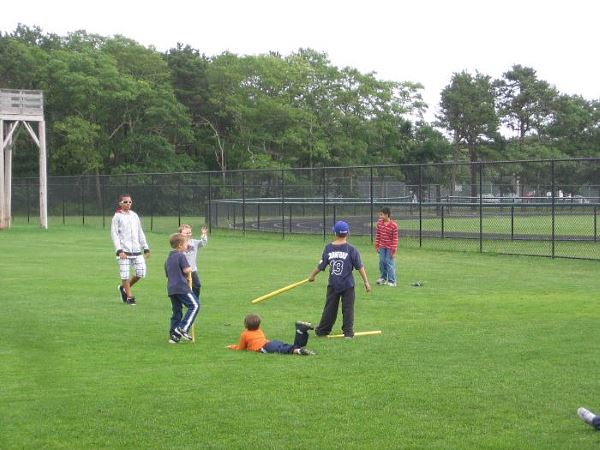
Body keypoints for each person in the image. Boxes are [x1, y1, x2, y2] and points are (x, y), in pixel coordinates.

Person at [308, 220, 371, 339]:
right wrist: (366, 282)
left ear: (335, 233)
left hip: (333, 284)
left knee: (330, 308)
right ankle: (348, 333)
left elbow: (320, 266)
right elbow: (360, 267)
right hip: (348, 285)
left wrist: (312, 276)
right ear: (347, 233)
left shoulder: (328, 248)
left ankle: (323, 331)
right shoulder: (351, 249)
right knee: (348, 309)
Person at [111, 194, 150, 305]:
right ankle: (129, 297)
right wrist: (119, 250)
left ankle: (123, 288)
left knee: (141, 272)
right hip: (124, 251)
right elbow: (114, 234)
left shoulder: (134, 215)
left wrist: (145, 247)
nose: (128, 204)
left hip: (137, 250)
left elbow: (139, 232)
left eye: (130, 202)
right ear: (120, 203)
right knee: (125, 274)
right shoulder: (117, 216)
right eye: (125, 202)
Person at [165, 233, 200, 344]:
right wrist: (189, 270)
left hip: (171, 288)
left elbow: (168, 273)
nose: (187, 245)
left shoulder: (169, 258)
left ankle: (174, 336)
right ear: (180, 245)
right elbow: (186, 270)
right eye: (186, 243)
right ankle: (183, 328)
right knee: (195, 305)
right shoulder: (181, 255)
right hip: (181, 287)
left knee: (177, 311)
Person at [227, 314, 315, 355]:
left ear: (245, 325)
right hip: (271, 343)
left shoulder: (244, 334)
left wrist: (232, 346)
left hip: (265, 347)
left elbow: (241, 348)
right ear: (258, 325)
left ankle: (299, 350)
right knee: (288, 347)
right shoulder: (259, 331)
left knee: (284, 350)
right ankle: (301, 332)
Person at [178, 224, 208, 299]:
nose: (188, 234)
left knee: (197, 285)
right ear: (180, 233)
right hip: (181, 270)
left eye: (189, 233)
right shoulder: (178, 244)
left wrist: (204, 235)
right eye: (186, 233)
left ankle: (195, 300)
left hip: (192, 270)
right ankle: (181, 301)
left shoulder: (194, 242)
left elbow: (203, 243)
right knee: (182, 287)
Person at [375, 206, 398, 287]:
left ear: (387, 215)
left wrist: (393, 250)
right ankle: (383, 278)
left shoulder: (393, 225)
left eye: (382, 215)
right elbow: (378, 235)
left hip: (390, 248)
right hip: (382, 246)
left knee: (389, 262)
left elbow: (395, 239)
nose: (380, 216)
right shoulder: (379, 223)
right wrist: (377, 246)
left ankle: (392, 281)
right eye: (380, 215)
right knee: (382, 262)